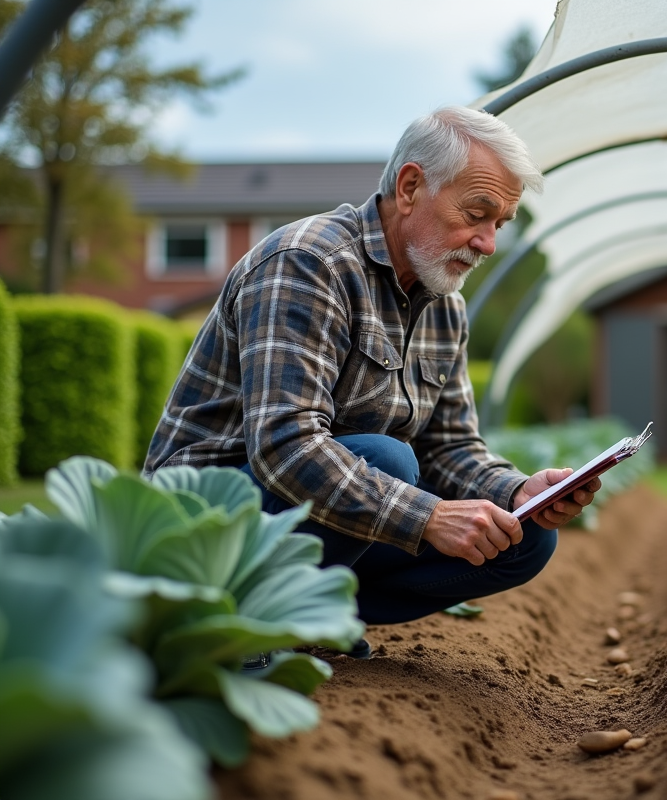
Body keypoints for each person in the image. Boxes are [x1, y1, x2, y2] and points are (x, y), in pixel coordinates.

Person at [144, 106, 599, 649]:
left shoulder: (443, 306)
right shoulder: (308, 263)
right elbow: (285, 446)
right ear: (410, 187)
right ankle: (236, 619)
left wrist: (519, 491)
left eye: (498, 224)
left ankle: (314, 615)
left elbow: (450, 446)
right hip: (202, 523)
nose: (487, 244)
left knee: (521, 539)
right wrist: (427, 515)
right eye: (476, 214)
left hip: (310, 520)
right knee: (387, 460)